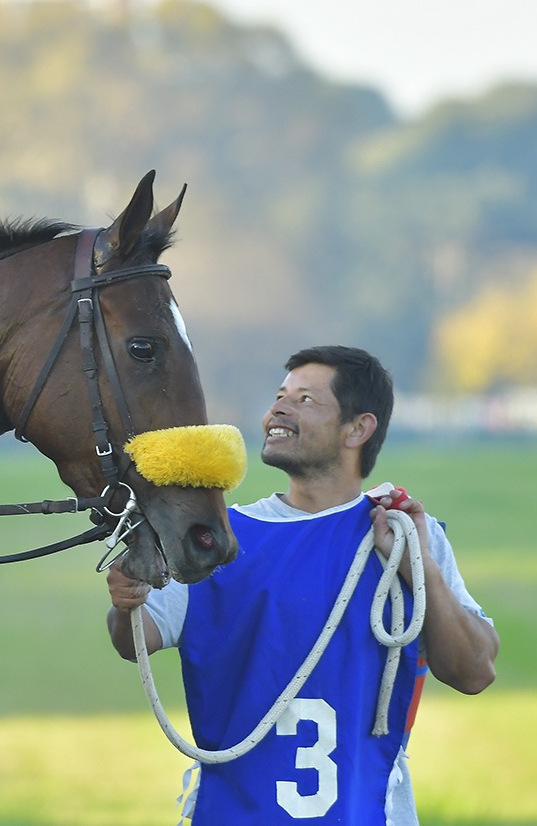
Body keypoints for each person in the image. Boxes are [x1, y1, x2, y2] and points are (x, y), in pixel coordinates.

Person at [105, 345, 498, 824]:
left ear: (358, 429)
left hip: (368, 813)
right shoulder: (217, 538)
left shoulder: (406, 535)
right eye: (280, 396)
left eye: (305, 399)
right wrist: (126, 599)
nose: (279, 409)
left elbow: (474, 672)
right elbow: (134, 640)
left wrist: (421, 572)